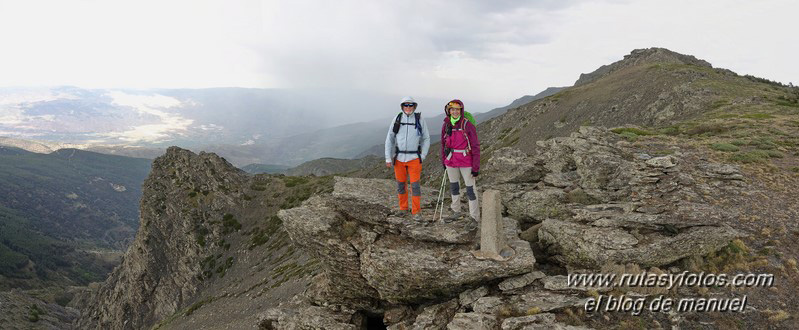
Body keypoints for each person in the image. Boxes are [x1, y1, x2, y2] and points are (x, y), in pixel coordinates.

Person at [385, 96, 431, 221]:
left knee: (415, 186)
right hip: (399, 158)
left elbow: (426, 138)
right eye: (406, 105)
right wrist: (388, 158)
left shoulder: (419, 119)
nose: (408, 107)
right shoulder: (397, 118)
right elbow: (390, 138)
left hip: (414, 158)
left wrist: (423, 155)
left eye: (411, 105)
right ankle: (403, 208)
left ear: (414, 107)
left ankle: (416, 212)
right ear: (402, 106)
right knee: (401, 185)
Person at [440, 99, 480, 223]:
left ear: (461, 110)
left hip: (466, 161)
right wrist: (444, 160)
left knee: (470, 189)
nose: (455, 112)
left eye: (457, 109)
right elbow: (443, 144)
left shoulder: (467, 125)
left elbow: (475, 146)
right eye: (452, 109)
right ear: (449, 111)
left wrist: (475, 167)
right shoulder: (446, 124)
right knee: (454, 186)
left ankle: (474, 217)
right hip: (451, 160)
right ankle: (456, 211)